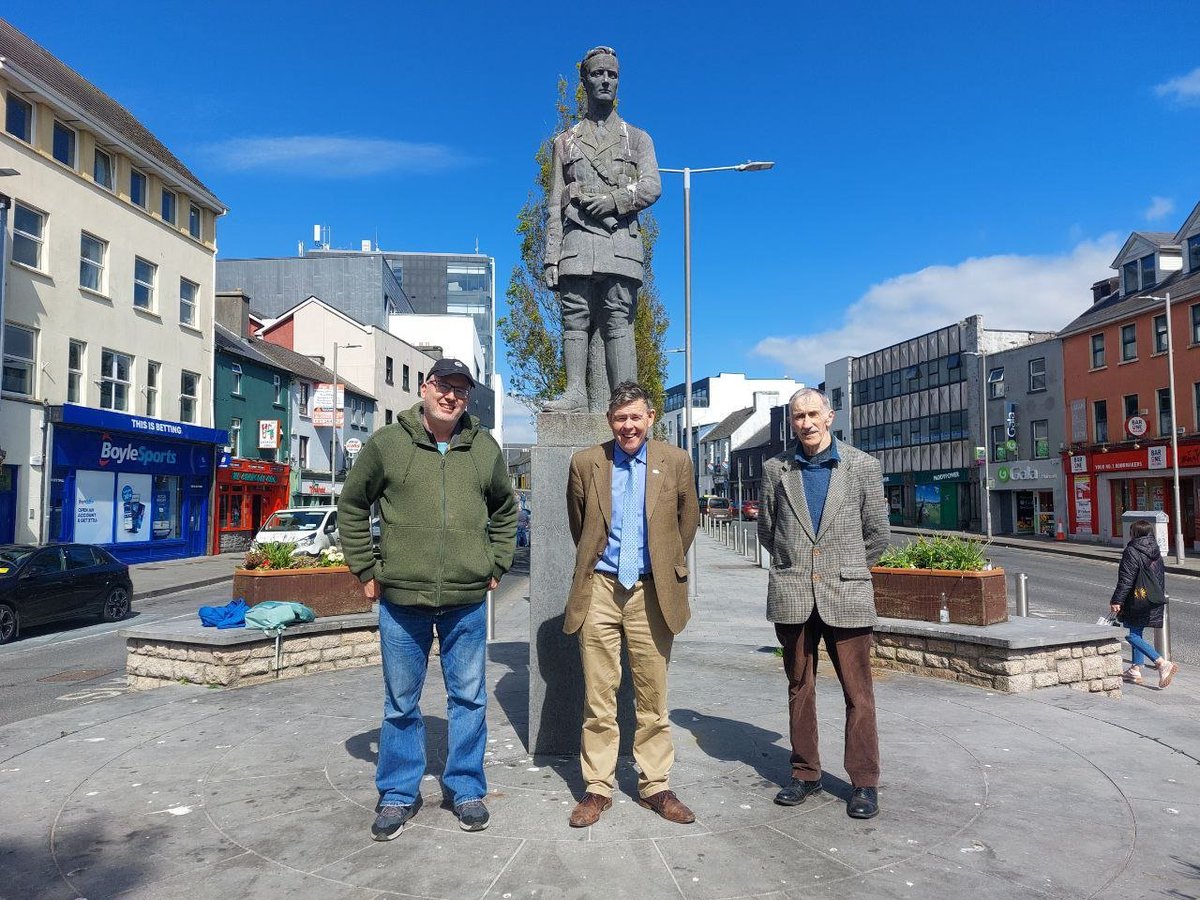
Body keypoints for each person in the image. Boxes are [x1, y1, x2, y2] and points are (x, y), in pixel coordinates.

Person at [338, 358, 517, 840]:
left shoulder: (484, 448)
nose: (451, 395)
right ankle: (398, 794)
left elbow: (505, 508)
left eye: (461, 389)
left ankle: (465, 789)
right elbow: (352, 504)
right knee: (401, 703)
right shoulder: (388, 444)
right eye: (443, 385)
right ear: (424, 387)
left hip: (466, 600)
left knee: (469, 699)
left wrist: (496, 562)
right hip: (402, 600)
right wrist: (366, 567)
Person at [564, 381, 700, 826]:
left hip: (651, 591)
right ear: (610, 421)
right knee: (598, 695)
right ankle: (598, 788)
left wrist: (660, 563)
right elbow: (579, 522)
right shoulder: (587, 462)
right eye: (620, 418)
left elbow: (687, 520)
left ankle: (655, 785)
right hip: (601, 587)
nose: (628, 426)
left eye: (635, 417)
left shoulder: (675, 461)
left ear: (650, 418)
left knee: (652, 694)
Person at [757, 388, 891, 820]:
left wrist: (846, 567)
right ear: (791, 421)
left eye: (814, 414)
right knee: (800, 687)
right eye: (798, 416)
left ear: (830, 416)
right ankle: (805, 773)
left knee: (859, 693)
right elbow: (768, 531)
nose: (807, 423)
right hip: (793, 594)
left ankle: (864, 783)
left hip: (847, 593)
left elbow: (878, 535)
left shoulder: (862, 467)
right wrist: (795, 568)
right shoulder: (775, 468)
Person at [542, 46, 661, 412]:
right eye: (597, 74)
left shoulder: (637, 138)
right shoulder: (566, 142)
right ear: (584, 81)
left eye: (612, 74)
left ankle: (625, 401)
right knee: (574, 317)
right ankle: (575, 393)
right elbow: (553, 202)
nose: (605, 80)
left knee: (618, 320)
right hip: (576, 242)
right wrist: (551, 258)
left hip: (619, 242)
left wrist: (613, 201)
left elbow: (652, 186)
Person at [1109, 520, 1179, 689]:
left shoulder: (1132, 551)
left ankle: (1161, 663)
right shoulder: (1155, 550)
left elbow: (1126, 579)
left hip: (1135, 599)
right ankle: (1135, 669)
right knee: (1136, 632)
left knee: (1129, 633)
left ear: (1134, 534)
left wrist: (1117, 600)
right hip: (1151, 598)